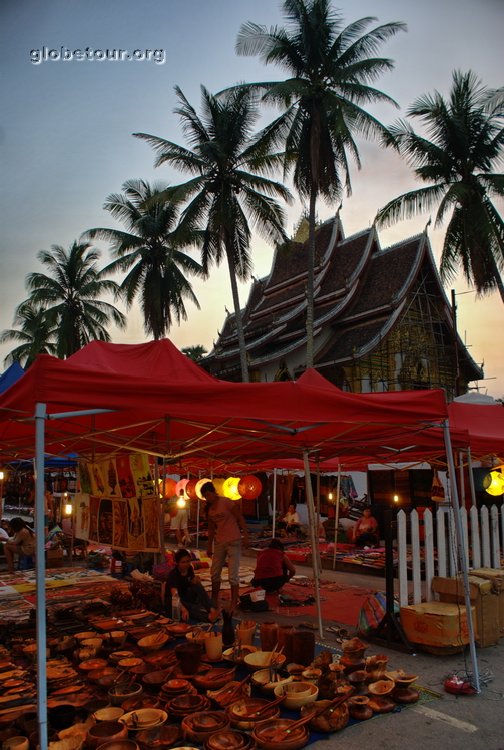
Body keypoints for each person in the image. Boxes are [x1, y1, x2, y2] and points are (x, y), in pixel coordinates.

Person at [201, 481, 249, 612]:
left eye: (208, 495)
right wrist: (209, 546)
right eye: (205, 496)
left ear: (213, 492)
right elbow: (211, 529)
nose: (207, 498)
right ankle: (214, 600)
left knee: (232, 574)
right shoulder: (209, 509)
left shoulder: (226, 502)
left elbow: (240, 518)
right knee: (214, 572)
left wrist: (246, 536)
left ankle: (234, 602)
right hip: (219, 542)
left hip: (234, 540)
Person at [166, 548, 219, 623]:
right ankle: (207, 617)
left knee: (197, 585)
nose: (186, 564)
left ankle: (211, 609)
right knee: (192, 608)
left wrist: (196, 580)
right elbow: (175, 596)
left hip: (185, 596)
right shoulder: (173, 574)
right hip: (174, 602)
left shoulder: (189, 568)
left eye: (188, 561)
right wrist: (183, 609)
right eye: (183, 562)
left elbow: (193, 583)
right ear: (177, 563)